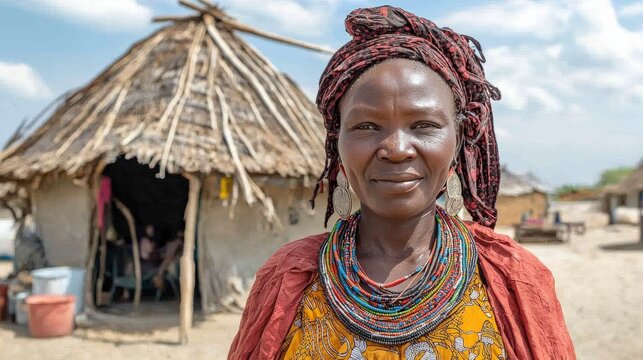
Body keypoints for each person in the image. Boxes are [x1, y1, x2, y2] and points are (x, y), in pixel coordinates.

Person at [229, 6, 575, 360]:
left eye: (423, 125)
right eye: (366, 127)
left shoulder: (512, 278)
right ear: (337, 144)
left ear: (458, 142)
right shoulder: (289, 276)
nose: (395, 150)